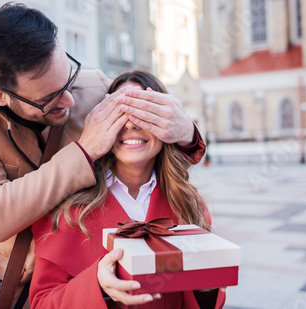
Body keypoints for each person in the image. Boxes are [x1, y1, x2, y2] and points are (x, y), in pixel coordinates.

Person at [0, 3, 206, 308]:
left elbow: (152, 141)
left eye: (68, 79)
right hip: (10, 282)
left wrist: (187, 132)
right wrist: (86, 150)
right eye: (49, 98)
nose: (69, 99)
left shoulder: (94, 86)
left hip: (83, 269)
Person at [29, 70, 226, 309]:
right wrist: (96, 286)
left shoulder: (189, 203)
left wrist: (206, 287)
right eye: (120, 112)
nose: (131, 123)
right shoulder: (68, 209)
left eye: (145, 112)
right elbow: (42, 303)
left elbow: (204, 300)